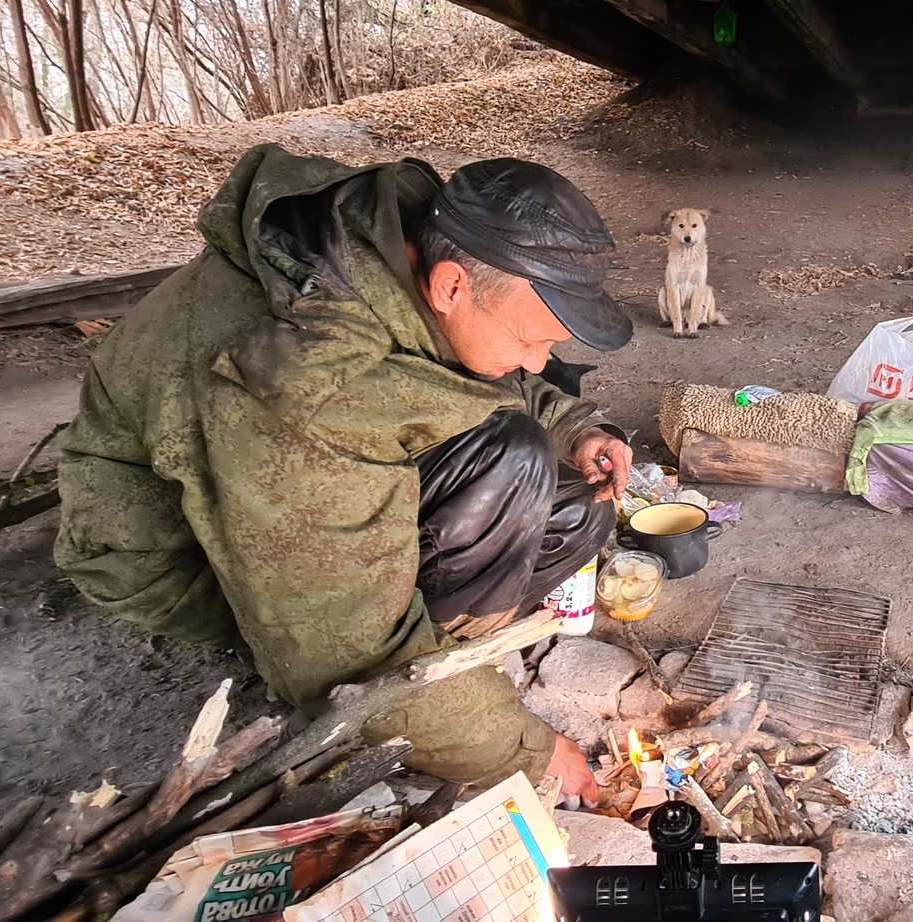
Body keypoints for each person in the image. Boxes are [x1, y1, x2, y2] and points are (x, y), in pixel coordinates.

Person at [53, 144, 636, 803]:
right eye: (534, 339)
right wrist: (522, 749)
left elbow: (457, 365)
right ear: (451, 286)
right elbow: (341, 645)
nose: (541, 357)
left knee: (575, 497)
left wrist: (575, 427)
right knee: (512, 461)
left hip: (288, 479)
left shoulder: (405, 252)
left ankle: (451, 665)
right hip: (185, 559)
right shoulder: (302, 386)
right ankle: (436, 689)